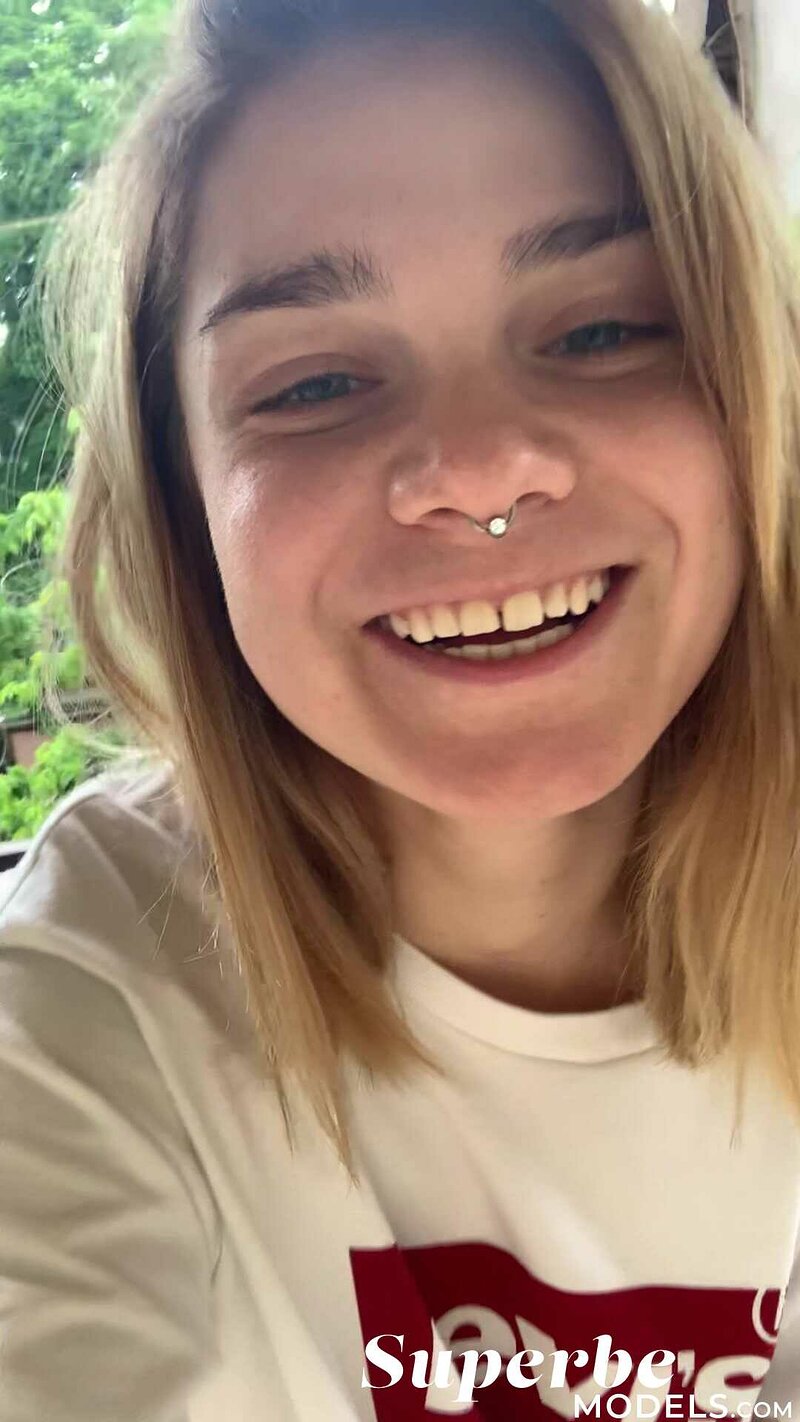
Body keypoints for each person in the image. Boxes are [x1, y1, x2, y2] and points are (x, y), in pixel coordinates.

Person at [1, 0, 800, 1416]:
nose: (481, 473)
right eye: (315, 382)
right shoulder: (83, 994)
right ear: (187, 505)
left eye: (605, 327)